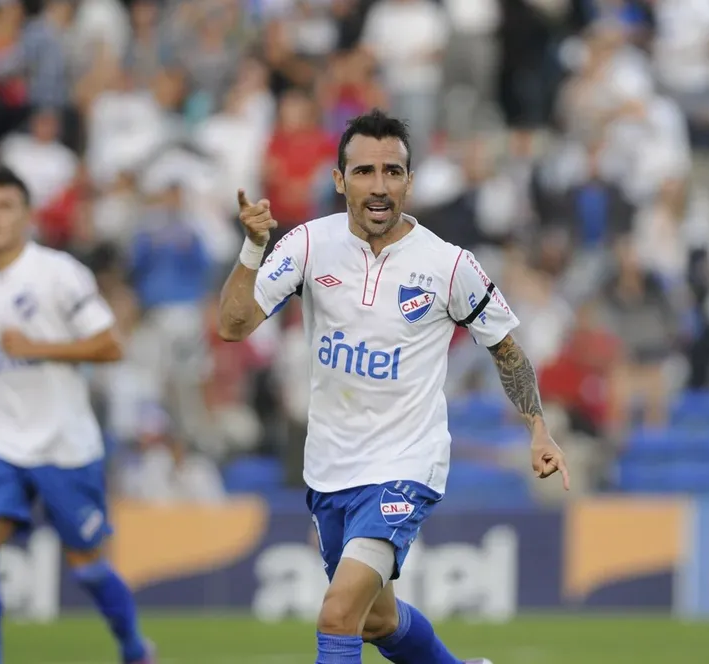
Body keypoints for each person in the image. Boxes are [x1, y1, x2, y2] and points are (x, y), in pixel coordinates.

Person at [217, 109, 569, 664]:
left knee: (338, 616)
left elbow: (508, 351)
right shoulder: (308, 244)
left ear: (409, 180)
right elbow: (233, 326)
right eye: (364, 172)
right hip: (330, 466)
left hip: (407, 463)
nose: (379, 186)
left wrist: (538, 429)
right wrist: (252, 248)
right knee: (376, 620)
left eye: (392, 171)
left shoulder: (449, 265)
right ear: (340, 180)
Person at [0, 167, 153, 664]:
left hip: (64, 445)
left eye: (4, 206)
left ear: (27, 216)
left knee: (88, 568)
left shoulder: (58, 272)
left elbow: (111, 345)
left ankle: (134, 648)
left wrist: (36, 347)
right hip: (1, 443)